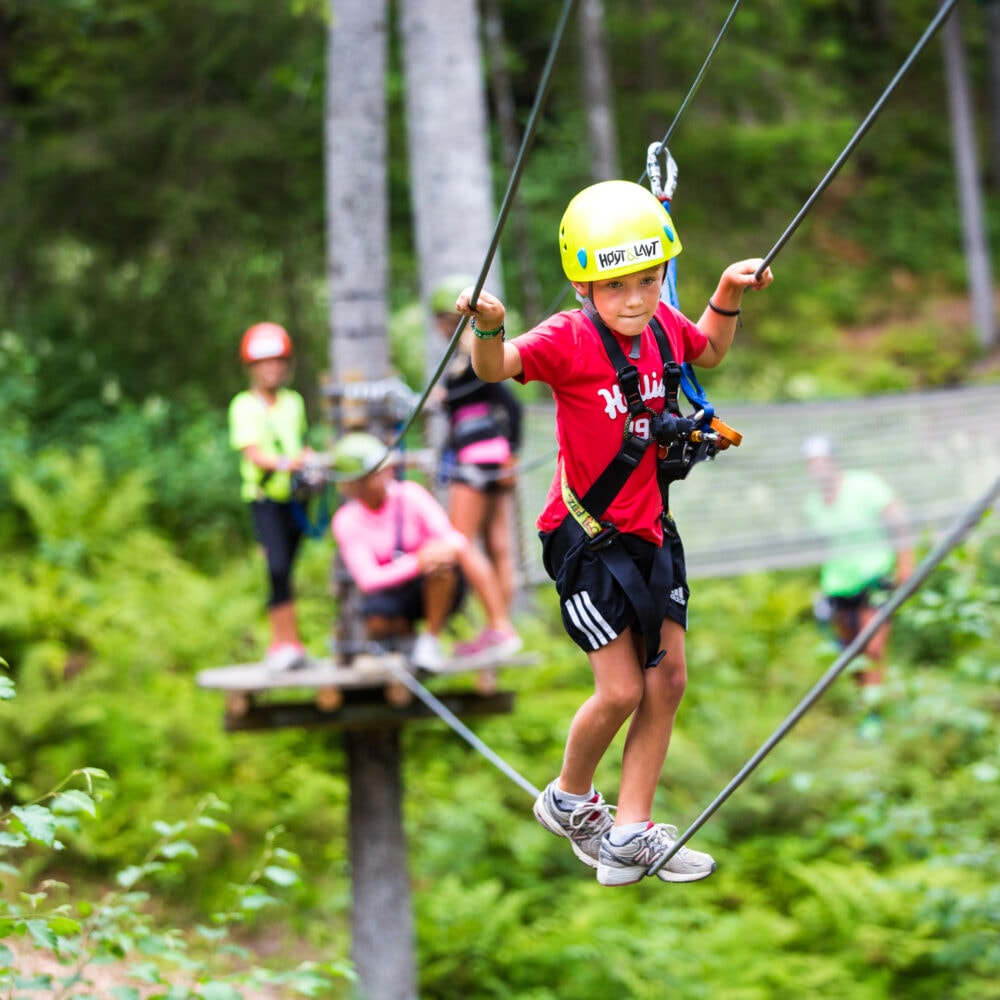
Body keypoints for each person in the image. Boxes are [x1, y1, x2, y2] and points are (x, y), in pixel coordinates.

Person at [455, 179, 773, 887]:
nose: (636, 299)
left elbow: (710, 352)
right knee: (624, 689)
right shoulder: (568, 339)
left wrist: (726, 290)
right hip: (586, 539)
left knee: (669, 682)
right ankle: (568, 797)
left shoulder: (662, 327)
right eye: (618, 286)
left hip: (651, 531)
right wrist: (488, 325)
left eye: (651, 280)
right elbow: (495, 369)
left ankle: (630, 829)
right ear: (584, 285)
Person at [330, 431, 521, 672]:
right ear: (356, 484)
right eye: (377, 472)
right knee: (378, 617)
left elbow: (457, 541)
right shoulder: (347, 520)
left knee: (441, 560)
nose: (388, 473)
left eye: (387, 467)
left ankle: (458, 634)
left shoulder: (410, 495)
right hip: (391, 595)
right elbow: (367, 579)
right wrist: (416, 562)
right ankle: (404, 642)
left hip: (430, 586)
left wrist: (433, 553)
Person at [430, 275, 524, 657]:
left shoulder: (471, 359)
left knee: (459, 541)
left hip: (474, 458)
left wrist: (443, 397)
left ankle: (499, 626)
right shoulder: (468, 358)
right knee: (498, 543)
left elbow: (512, 405)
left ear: (445, 321)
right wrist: (511, 450)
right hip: (496, 456)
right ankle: (499, 627)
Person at [802, 434, 914, 709]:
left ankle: (874, 716)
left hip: (874, 578)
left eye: (821, 461)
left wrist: (905, 563)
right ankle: (866, 708)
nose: (817, 468)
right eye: (811, 464)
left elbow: (898, 517)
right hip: (839, 587)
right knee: (850, 654)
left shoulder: (865, 485)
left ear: (832, 461)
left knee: (872, 649)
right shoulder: (813, 504)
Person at [228, 322, 315, 672]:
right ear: (252, 368)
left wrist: (307, 461)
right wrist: (287, 463)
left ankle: (288, 642)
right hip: (265, 498)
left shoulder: (293, 402)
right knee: (276, 568)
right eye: (265, 362)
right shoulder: (244, 406)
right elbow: (252, 452)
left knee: (287, 570)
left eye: (277, 361)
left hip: (296, 499)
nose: (272, 369)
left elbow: (302, 442)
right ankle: (282, 643)